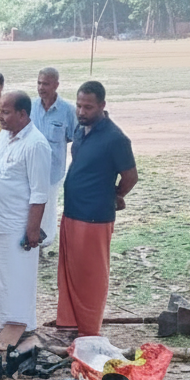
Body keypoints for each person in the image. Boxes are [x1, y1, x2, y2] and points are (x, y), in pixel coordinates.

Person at [55, 81, 138, 341]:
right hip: (72, 211)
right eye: (79, 106)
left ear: (102, 106)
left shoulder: (116, 139)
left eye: (88, 107)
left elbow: (131, 177)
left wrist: (116, 195)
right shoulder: (80, 131)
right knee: (70, 271)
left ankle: (89, 329)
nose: (81, 112)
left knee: (91, 275)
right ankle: (69, 324)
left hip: (95, 217)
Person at [0, 91, 51, 349]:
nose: (0, 117)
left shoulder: (36, 144)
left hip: (18, 224)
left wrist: (33, 229)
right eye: (0, 111)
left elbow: (39, 192)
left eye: (5, 112)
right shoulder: (5, 136)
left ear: (23, 114)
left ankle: (19, 322)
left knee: (17, 275)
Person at [30, 67, 77, 246]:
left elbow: (75, 138)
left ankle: (44, 243)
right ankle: (31, 241)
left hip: (52, 171)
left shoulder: (67, 111)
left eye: (46, 84)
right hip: (30, 170)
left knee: (47, 209)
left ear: (56, 85)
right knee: (29, 208)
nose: (41, 87)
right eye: (39, 83)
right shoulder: (30, 107)